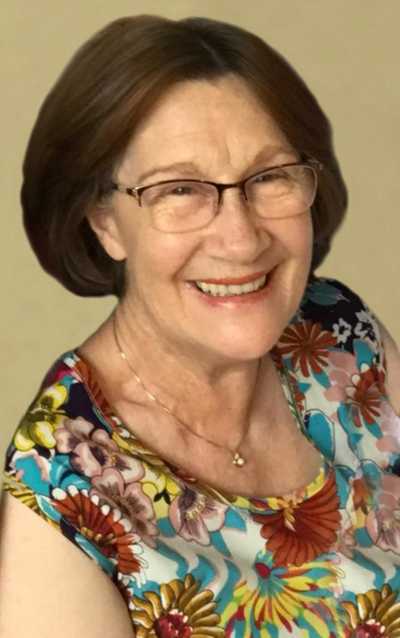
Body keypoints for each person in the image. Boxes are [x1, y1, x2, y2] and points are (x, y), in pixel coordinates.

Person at [1, 14, 400, 638]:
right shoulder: (60, 491)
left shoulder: (339, 337)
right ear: (104, 222)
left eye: (269, 177)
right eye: (180, 190)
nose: (240, 239)